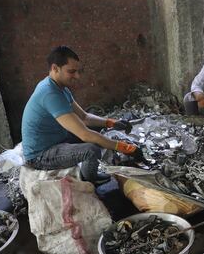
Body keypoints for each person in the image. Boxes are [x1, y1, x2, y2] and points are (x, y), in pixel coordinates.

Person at [21, 46, 140, 185]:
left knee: (96, 129)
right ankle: (89, 178)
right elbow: (85, 135)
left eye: (78, 71)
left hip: (56, 139)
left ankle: (91, 164)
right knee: (91, 149)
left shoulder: (59, 87)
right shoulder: (50, 94)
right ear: (55, 68)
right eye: (71, 71)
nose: (77, 76)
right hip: (40, 155)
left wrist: (111, 122)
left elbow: (84, 117)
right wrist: (125, 148)